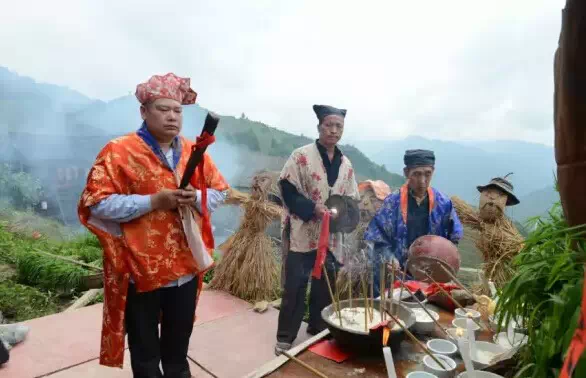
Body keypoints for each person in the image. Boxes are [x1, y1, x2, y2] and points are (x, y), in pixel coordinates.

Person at [78, 73, 229, 378]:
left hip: (184, 269)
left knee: (177, 351)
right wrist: (152, 202)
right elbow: (96, 203)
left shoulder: (192, 151)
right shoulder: (119, 151)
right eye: (163, 109)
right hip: (140, 271)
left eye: (177, 110)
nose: (172, 116)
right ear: (144, 112)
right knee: (146, 355)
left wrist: (196, 197)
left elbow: (219, 192)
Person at [275, 104, 359, 355]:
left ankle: (317, 330)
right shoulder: (301, 156)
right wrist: (313, 208)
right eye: (329, 126)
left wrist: (343, 215)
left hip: (332, 237)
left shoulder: (346, 164)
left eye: (338, 127)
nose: (334, 131)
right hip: (304, 233)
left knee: (326, 285)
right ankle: (285, 338)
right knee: (296, 286)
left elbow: (351, 199)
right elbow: (286, 189)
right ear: (319, 127)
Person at [364, 149, 463, 297]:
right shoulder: (392, 204)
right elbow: (377, 239)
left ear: (433, 171)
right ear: (406, 172)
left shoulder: (443, 204)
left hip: (430, 276)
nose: (422, 181)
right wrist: (389, 258)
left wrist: (444, 260)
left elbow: (453, 237)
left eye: (427, 174)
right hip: (397, 275)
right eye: (416, 174)